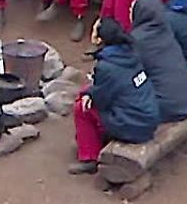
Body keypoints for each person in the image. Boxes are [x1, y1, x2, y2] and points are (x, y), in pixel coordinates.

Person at [69, 18, 161, 175]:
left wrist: (88, 94)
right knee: (88, 93)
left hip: (132, 126)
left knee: (82, 107)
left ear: (99, 39)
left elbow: (102, 100)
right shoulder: (131, 52)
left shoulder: (107, 66)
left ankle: (89, 158)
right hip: (149, 118)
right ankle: (94, 139)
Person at [127, 0, 187, 123]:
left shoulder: (136, 40)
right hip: (185, 101)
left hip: (164, 107)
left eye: (132, 9)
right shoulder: (166, 31)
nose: (129, 12)